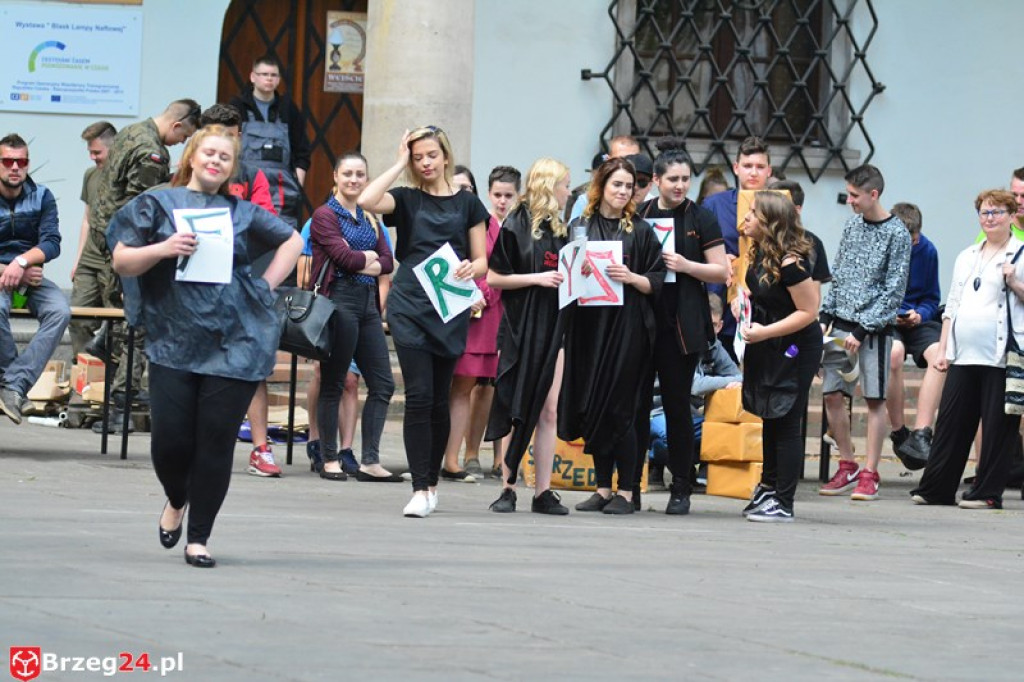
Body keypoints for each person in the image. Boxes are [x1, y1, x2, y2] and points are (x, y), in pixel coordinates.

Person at [106, 125, 303, 567]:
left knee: (215, 444)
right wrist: (164, 247)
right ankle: (177, 498)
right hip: (174, 339)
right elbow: (122, 258)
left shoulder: (244, 212)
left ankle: (199, 537)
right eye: (209, 153)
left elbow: (293, 240)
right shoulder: (158, 202)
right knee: (170, 444)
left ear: (232, 168)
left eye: (225, 157)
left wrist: (266, 286)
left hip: (234, 341)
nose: (215, 161)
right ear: (192, 157)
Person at [358, 126, 488, 518]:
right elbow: (366, 198)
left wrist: (472, 268)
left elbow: (482, 260)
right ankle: (419, 486)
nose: (425, 163)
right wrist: (398, 162)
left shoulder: (468, 204)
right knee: (417, 395)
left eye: (431, 155)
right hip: (410, 302)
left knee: (438, 397)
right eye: (418, 157)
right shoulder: (407, 198)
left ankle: (432, 481)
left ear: (445, 155)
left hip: (449, 303)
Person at [560, 157, 666, 515]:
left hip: (628, 329)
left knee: (623, 408)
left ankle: (628, 490)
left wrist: (630, 276)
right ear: (601, 186)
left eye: (628, 185)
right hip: (589, 329)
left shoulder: (640, 230)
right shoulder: (580, 226)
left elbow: (657, 278)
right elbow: (565, 274)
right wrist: (580, 267)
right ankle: (603, 487)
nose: (623, 191)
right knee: (594, 405)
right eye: (616, 185)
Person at [89, 99, 202, 431]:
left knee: (122, 323)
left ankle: (105, 347)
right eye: (185, 137)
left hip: (104, 235)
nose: (181, 143)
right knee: (135, 328)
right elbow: (146, 209)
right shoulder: (152, 151)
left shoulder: (129, 131)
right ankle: (119, 409)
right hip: (126, 246)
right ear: (178, 125)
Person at [910, 190, 1024, 509]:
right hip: (964, 351)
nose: (990, 219)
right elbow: (953, 304)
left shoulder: (1020, 254)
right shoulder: (968, 255)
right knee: (952, 419)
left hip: (1002, 353)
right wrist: (944, 348)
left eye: (997, 212)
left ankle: (988, 492)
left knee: (997, 424)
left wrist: (1014, 282)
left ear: (1012, 216)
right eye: (985, 213)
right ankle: (937, 487)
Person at [635, 143, 729, 515]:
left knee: (677, 406)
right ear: (656, 180)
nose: (679, 186)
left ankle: (682, 487)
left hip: (682, 325)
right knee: (636, 405)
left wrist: (686, 265)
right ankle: (631, 486)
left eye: (685, 179)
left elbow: (721, 270)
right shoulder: (641, 213)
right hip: (642, 321)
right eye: (672, 179)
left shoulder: (701, 217)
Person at [196, 103, 285, 477]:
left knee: (253, 368)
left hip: (241, 284)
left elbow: (266, 227)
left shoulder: (253, 177)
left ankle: (261, 449)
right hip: (196, 288)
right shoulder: (184, 177)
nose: (223, 144)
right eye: (215, 135)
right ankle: (197, 446)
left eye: (230, 136)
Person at [818, 164, 911, 501]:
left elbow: (893, 290)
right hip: (841, 324)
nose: (851, 201)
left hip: (874, 330)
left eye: (855, 196)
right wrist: (825, 315)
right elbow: (839, 272)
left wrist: (864, 327)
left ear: (874, 195)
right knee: (832, 394)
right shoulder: (852, 226)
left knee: (874, 400)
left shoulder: (897, 234)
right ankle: (847, 462)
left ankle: (870, 472)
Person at [485, 158, 572, 514]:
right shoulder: (515, 225)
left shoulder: (564, 230)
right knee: (515, 405)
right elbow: (494, 277)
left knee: (549, 409)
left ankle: (543, 491)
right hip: (521, 326)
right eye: (564, 185)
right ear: (549, 187)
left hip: (556, 326)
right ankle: (508, 485)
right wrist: (536, 279)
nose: (568, 191)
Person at [736, 192, 823, 522]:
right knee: (770, 414)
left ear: (770, 222)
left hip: (795, 346)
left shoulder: (790, 262)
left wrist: (764, 333)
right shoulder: (760, 252)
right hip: (769, 341)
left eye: (753, 214)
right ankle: (769, 485)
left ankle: (784, 501)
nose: (746, 218)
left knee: (787, 418)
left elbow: (808, 311)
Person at [310, 152, 397, 482]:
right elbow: (344, 259)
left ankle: (370, 460)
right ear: (335, 176)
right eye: (347, 173)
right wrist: (367, 259)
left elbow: (388, 263)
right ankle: (329, 458)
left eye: (360, 174)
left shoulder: (370, 216)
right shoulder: (324, 215)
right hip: (339, 302)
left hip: (368, 305)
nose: (354, 180)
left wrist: (366, 260)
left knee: (383, 383)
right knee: (334, 383)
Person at [443, 165, 516, 481]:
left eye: (508, 195)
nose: (502, 201)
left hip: (498, 312)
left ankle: (481, 457)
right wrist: (478, 290)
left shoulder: (513, 225)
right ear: (488, 194)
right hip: (471, 310)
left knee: (486, 384)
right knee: (461, 383)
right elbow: (459, 263)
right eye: (497, 195)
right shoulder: (479, 223)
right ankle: (450, 456)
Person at [0, 134, 72, 424]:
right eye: (7, 161)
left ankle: (12, 385)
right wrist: (8, 269)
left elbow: (52, 242)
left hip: (30, 274)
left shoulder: (42, 196)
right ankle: (12, 384)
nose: (15, 167)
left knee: (60, 311)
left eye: (22, 161)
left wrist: (22, 262)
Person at [702, 136, 774, 360]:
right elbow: (695, 245)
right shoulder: (715, 204)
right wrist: (717, 256)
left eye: (760, 167)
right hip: (722, 300)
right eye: (747, 166)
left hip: (766, 300)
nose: (753, 172)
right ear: (736, 168)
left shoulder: (779, 205)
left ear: (769, 171)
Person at [885, 202, 943, 469]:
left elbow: (932, 298)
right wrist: (891, 313)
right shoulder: (881, 249)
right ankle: (899, 432)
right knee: (894, 355)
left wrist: (920, 314)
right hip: (887, 320)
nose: (910, 245)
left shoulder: (928, 250)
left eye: (914, 240)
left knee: (939, 357)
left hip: (918, 320)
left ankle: (921, 433)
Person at [230, 54, 311, 227]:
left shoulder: (288, 108)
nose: (269, 79)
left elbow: (302, 151)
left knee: (283, 233)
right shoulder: (237, 106)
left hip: (282, 188)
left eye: (273, 75)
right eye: (264, 74)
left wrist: (298, 184)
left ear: (279, 79)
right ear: (253, 77)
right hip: (245, 182)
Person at [68, 121, 117, 357]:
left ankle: (108, 378)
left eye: (97, 152)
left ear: (114, 147)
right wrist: (78, 261)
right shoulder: (90, 175)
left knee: (116, 321)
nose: (92, 157)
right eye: (90, 152)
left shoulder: (127, 177)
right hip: (89, 257)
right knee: (78, 317)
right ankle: (82, 370)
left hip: (114, 260)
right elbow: (87, 219)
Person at [566, 135, 641, 223]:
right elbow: (575, 232)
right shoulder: (585, 201)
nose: (625, 165)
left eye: (633, 160)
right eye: (620, 159)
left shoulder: (648, 200)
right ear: (609, 160)